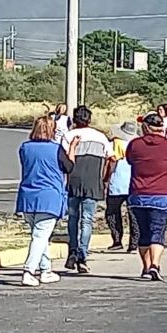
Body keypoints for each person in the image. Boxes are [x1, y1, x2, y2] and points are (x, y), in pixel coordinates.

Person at [16, 116, 80, 287]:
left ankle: (46, 270)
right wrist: (72, 148)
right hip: (49, 196)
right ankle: (29, 271)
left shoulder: (25, 147)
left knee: (39, 236)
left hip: (28, 196)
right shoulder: (56, 149)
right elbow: (69, 167)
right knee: (40, 235)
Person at [126, 113, 167, 282]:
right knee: (157, 231)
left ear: (145, 127)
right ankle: (155, 265)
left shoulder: (135, 145)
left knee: (143, 232)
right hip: (162, 193)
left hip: (138, 193)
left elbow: (130, 160)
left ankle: (146, 267)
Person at [61, 105, 113, 273]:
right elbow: (112, 158)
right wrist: (105, 177)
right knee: (87, 220)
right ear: (89, 120)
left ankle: (73, 250)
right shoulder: (101, 137)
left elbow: (64, 160)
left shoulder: (69, 136)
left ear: (74, 120)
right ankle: (82, 254)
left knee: (73, 218)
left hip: (73, 181)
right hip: (93, 182)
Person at [103, 121, 140, 253]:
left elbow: (112, 161)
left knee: (112, 212)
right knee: (134, 214)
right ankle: (134, 243)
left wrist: (106, 178)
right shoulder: (137, 144)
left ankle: (117, 240)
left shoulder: (116, 143)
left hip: (117, 181)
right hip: (134, 182)